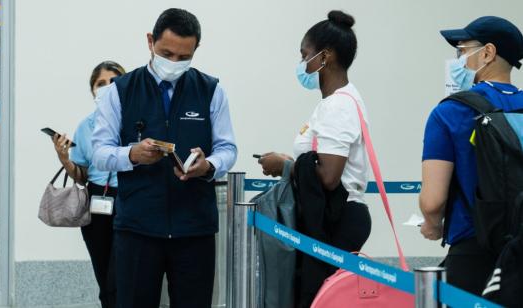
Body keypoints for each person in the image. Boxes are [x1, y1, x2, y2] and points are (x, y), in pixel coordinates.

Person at [91, 8, 237, 308]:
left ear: (196, 50)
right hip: (137, 229)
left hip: (194, 228)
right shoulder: (119, 92)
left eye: (183, 58)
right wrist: (132, 154)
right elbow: (100, 153)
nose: (173, 63)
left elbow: (228, 149)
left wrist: (209, 165)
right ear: (150, 42)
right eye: (166, 53)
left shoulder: (211, 91)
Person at [258, 11, 372, 307]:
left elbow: (329, 176)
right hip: (334, 216)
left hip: (339, 219)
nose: (302, 64)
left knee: (316, 298)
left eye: (305, 55)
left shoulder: (338, 106)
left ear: (326, 56)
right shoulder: (336, 103)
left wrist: (284, 166)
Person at [420, 16, 523, 295]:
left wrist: (432, 226)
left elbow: (432, 202)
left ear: (487, 53)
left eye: (462, 51)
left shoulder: (449, 112)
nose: (457, 60)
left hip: (473, 253)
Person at [51, 61, 126, 308]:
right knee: (104, 278)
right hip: (96, 202)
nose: (106, 88)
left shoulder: (135, 122)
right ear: (92, 90)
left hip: (128, 199)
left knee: (120, 277)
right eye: (100, 84)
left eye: (113, 82)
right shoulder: (86, 126)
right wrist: (64, 158)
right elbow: (82, 175)